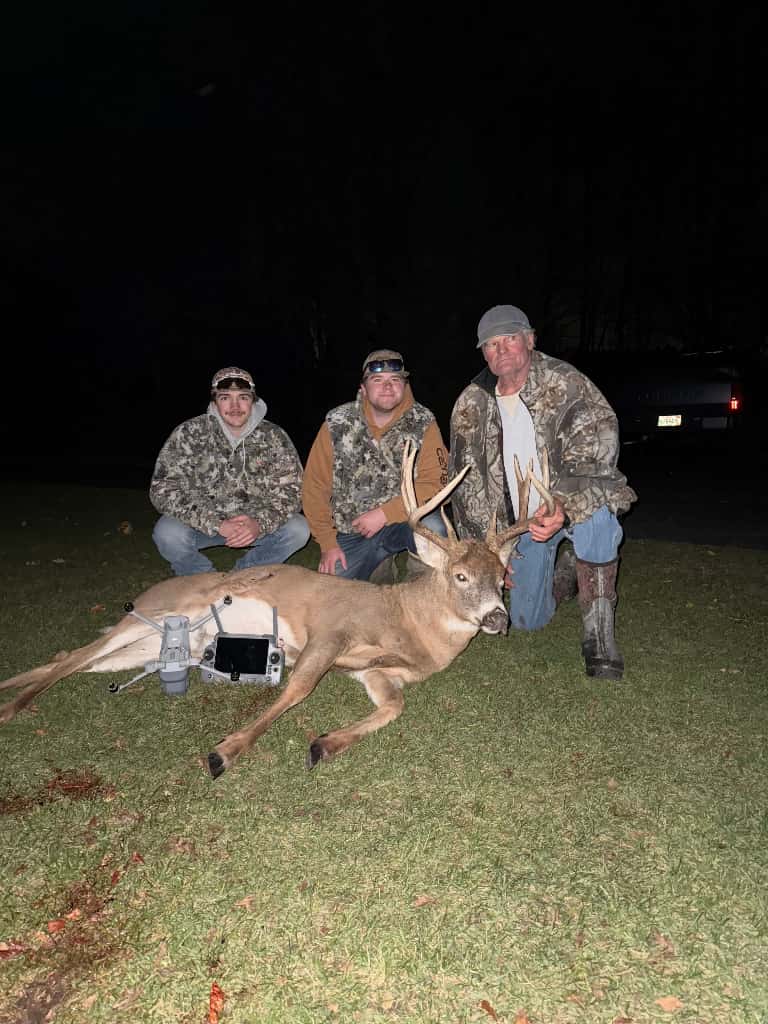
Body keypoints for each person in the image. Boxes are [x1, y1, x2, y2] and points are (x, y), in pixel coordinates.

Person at [449, 305, 637, 679]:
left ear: (530, 340)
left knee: (598, 523)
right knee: (525, 620)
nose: (501, 350)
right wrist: (490, 557)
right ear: (483, 352)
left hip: (569, 505)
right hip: (521, 527)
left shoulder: (566, 383)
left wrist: (561, 506)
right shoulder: (471, 402)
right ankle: (565, 577)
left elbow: (597, 452)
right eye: (491, 344)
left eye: (510, 339)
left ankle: (599, 639)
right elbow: (465, 485)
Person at [302, 349, 450, 581]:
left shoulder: (423, 422)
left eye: (395, 380)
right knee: (332, 595)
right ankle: (380, 566)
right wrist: (328, 543)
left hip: (405, 523)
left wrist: (385, 513)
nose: (388, 386)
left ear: (405, 385)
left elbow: (439, 484)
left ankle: (422, 591)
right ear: (363, 388)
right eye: (377, 380)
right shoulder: (337, 423)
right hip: (353, 531)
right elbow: (314, 487)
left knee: (434, 529)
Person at [150, 366, 310, 575]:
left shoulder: (274, 437)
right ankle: (205, 579)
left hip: (252, 526)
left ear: (253, 400)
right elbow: (162, 489)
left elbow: (293, 493)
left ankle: (240, 576)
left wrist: (259, 524)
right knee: (167, 532)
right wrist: (216, 523)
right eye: (225, 397)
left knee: (298, 530)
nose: (235, 406)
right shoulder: (188, 433)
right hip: (202, 524)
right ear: (215, 401)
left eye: (243, 397)